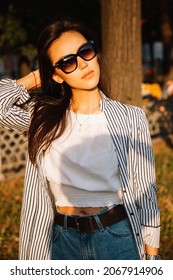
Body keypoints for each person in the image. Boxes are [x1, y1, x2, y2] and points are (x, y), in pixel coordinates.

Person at [0, 16, 161, 260]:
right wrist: (35, 77)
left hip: (116, 238)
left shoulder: (131, 117)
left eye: (85, 52)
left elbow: (146, 190)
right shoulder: (43, 116)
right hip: (61, 240)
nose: (83, 64)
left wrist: (152, 257)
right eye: (67, 63)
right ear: (55, 75)